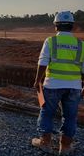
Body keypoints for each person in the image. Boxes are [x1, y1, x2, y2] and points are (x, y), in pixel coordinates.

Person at [32, 11, 84, 155]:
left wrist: (37, 81)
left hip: (53, 85)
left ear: (56, 26)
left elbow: (42, 62)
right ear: (72, 26)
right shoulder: (81, 45)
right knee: (70, 116)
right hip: (74, 87)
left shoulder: (51, 41)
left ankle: (45, 143)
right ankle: (65, 147)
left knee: (47, 113)